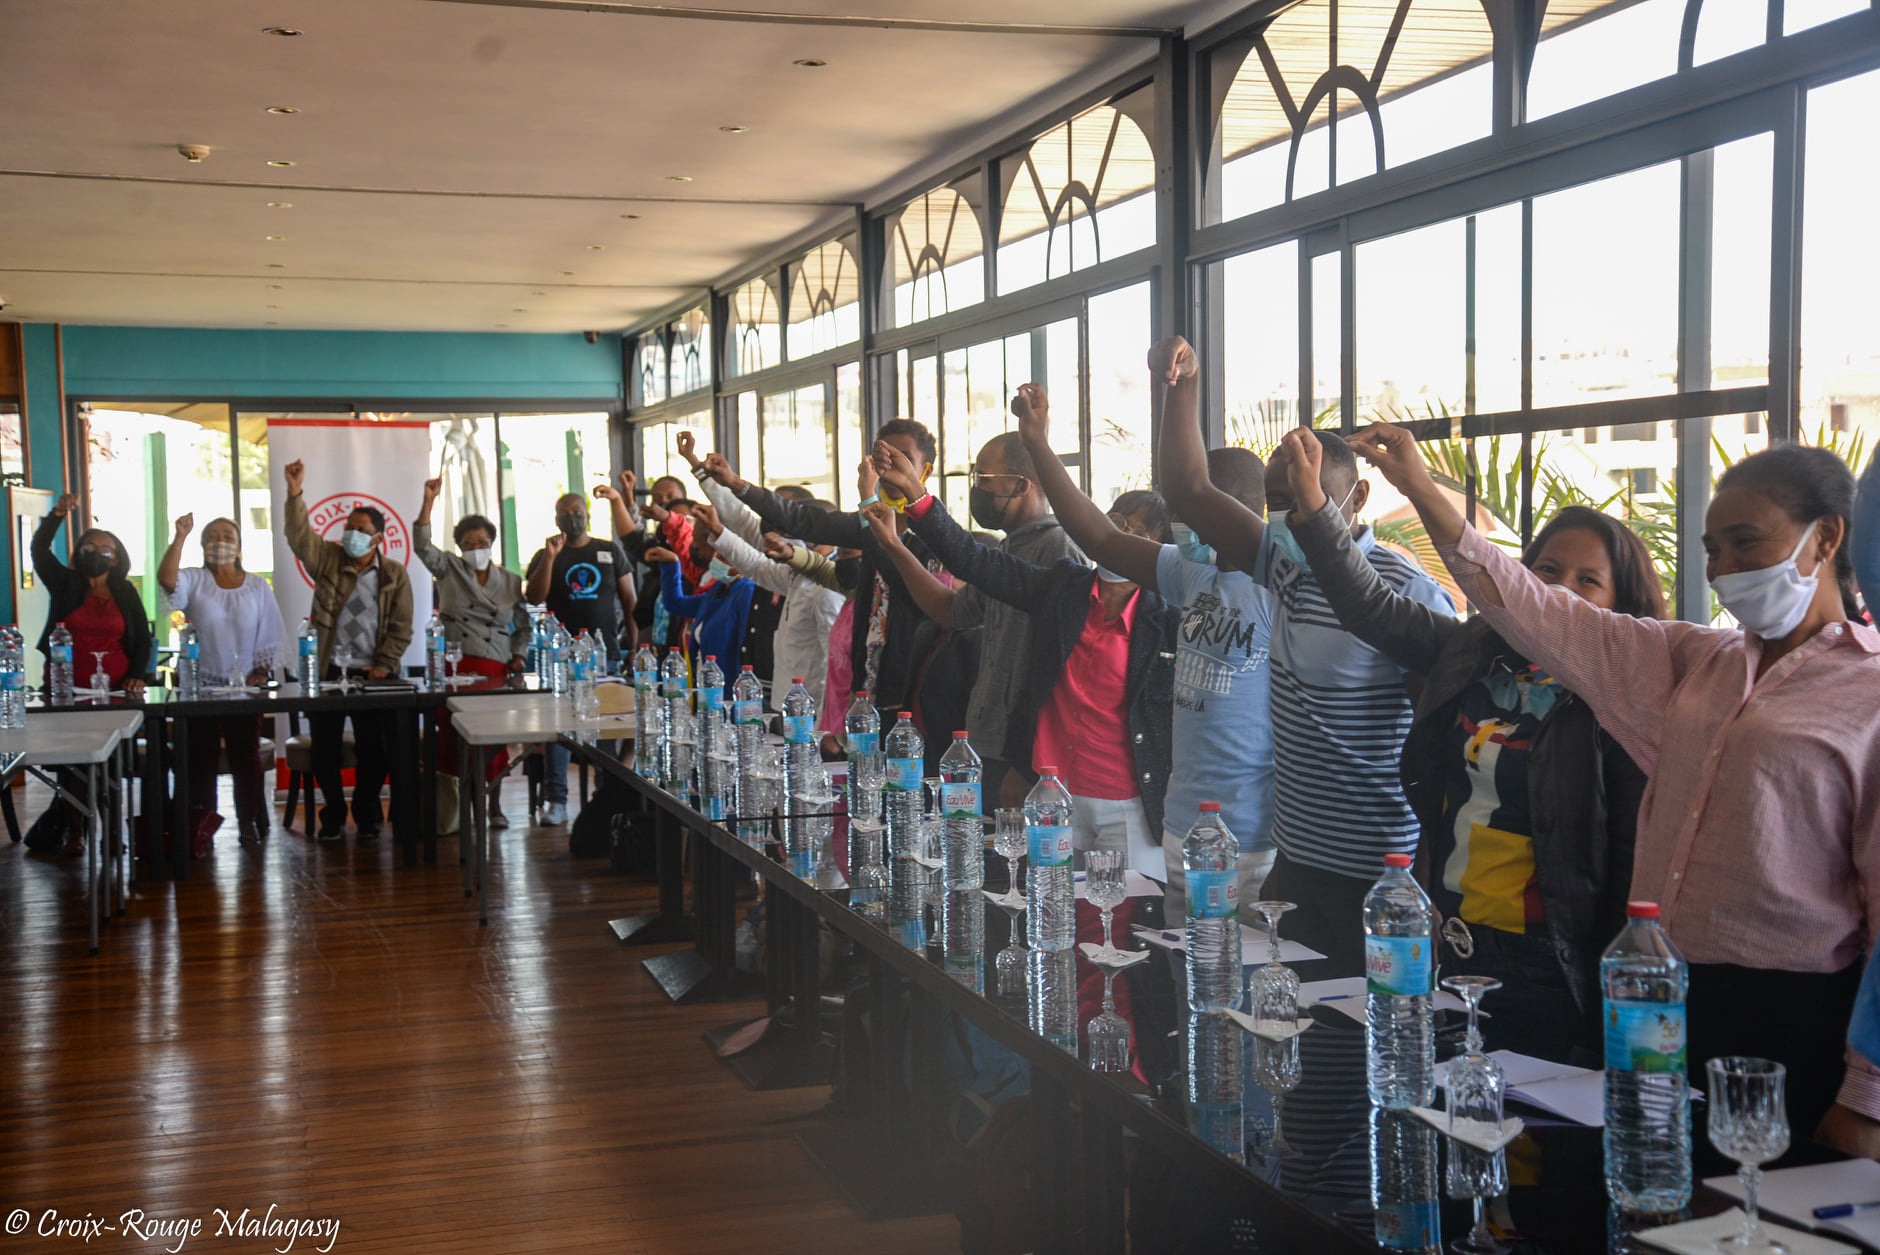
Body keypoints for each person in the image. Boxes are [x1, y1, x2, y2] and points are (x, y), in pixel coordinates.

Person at [1360, 422, 1880, 1137]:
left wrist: (1867, 1097)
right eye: (1712, 549)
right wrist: (1421, 487)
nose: (1725, 566)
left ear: (1825, 538)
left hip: (1798, 1012)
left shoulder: (1869, 691)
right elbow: (1534, 607)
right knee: (1655, 1213)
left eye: (1746, 542)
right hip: (1661, 996)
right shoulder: (1695, 659)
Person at [1276, 426, 1659, 1059]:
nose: (1561, 589)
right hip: (1449, 943)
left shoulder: (1618, 706)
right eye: (1546, 570)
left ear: (1623, 603)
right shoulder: (1477, 652)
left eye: (1588, 581)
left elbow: (1626, 869)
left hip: (1549, 969)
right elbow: (1369, 606)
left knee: (1533, 1142)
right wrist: (1316, 509)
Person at [1155, 337, 1455, 972]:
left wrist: (1428, 874)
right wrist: (1182, 385)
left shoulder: (1407, 589)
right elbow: (1187, 489)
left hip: (1378, 871)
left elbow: (1439, 738)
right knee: (1289, 1040)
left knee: (1367, 1051)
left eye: (1309, 496)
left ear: (1359, 500)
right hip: (1297, 864)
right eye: (1279, 501)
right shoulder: (1280, 568)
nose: (1293, 515)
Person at [1010, 378, 1280, 910]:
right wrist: (1038, 444)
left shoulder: (1280, 589)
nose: (1178, 523)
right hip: (1184, 826)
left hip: (1248, 837)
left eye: (1190, 511)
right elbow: (1101, 538)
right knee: (1184, 979)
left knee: (1238, 983)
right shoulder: (1192, 576)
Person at [865, 449, 1177, 871]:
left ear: (1158, 548)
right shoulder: (1065, 589)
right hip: (1052, 792)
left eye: (1130, 530)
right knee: (1044, 913)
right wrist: (920, 501)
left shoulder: (1166, 621)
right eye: (1112, 521)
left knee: (1117, 920)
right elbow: (977, 562)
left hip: (1124, 803)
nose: (1114, 535)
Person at [704, 419, 947, 724]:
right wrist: (735, 483)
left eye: (904, 458)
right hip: (866, 690)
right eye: (884, 457)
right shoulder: (865, 525)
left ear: (927, 469)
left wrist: (868, 499)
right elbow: (801, 520)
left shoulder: (939, 534)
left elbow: (905, 586)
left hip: (914, 691)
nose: (892, 465)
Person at [283, 459, 415, 842]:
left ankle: (368, 810)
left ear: (377, 539)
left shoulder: (393, 573)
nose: (352, 534)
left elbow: (401, 625)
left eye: (362, 530)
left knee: (375, 751)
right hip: (328, 672)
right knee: (325, 752)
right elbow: (298, 537)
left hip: (372, 674)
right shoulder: (327, 557)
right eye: (349, 528)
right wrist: (295, 493)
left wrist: (384, 664)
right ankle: (335, 814)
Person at [22, 494, 152, 853]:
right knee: (73, 763)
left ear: (117, 557)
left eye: (105, 548)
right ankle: (76, 832)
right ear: (79, 553)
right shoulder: (65, 583)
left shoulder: (125, 591)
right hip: (67, 689)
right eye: (89, 546)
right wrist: (58, 514)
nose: (97, 551)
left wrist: (138, 675)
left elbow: (142, 638)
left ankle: (112, 832)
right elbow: (39, 550)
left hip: (114, 691)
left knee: (109, 764)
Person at [678, 433, 846, 708]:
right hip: (787, 704)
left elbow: (835, 662)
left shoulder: (828, 585)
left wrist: (830, 723)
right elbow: (753, 557)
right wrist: (701, 473)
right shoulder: (798, 574)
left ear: (810, 535)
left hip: (811, 713)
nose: (776, 538)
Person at [158, 512, 286, 849]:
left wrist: (261, 670)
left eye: (228, 536)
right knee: (201, 758)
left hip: (244, 687)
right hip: (202, 686)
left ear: (240, 546)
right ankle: (203, 826)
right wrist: (180, 536)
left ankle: (249, 822)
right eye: (213, 535)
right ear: (203, 545)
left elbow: (270, 631)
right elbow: (168, 580)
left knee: (247, 757)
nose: (221, 540)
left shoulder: (258, 585)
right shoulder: (195, 579)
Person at [414, 476, 529, 827]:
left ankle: (493, 805)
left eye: (481, 541)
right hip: (453, 663)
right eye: (468, 543)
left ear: (491, 543)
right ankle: (455, 809)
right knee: (452, 736)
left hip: (496, 665)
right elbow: (422, 546)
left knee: (492, 739)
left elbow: (523, 624)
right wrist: (429, 501)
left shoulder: (510, 580)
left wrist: (519, 655)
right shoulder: (449, 567)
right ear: (460, 547)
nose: (475, 547)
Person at [524, 492, 635, 826]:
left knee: (603, 731)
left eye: (577, 512)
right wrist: (550, 557)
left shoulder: (609, 550)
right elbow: (534, 597)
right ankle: (556, 800)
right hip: (560, 659)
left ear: (587, 514)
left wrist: (633, 645)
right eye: (564, 513)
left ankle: (605, 798)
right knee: (559, 732)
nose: (571, 517)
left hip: (605, 657)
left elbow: (629, 600)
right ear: (556, 517)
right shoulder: (547, 553)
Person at [643, 519, 758, 673]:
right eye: (717, 554)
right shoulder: (719, 590)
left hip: (729, 688)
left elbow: (745, 649)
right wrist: (671, 564)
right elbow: (675, 604)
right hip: (706, 683)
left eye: (723, 557)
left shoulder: (746, 591)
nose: (715, 559)